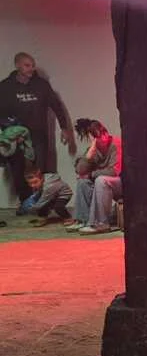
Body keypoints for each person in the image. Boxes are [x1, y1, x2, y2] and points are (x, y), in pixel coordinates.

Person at [0, 52, 76, 204]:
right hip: (16, 137)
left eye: (33, 65)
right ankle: (25, 202)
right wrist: (8, 133)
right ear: (17, 65)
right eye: (27, 65)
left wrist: (64, 128)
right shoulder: (5, 86)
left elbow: (57, 106)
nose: (31, 69)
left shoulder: (41, 85)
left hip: (38, 136)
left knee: (40, 170)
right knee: (18, 170)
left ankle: (41, 203)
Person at [67, 118, 122, 235]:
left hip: (122, 183)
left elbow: (114, 171)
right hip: (105, 183)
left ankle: (100, 224)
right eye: (97, 136)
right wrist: (88, 156)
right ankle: (84, 220)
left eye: (103, 133)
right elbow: (80, 171)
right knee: (82, 182)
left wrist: (91, 174)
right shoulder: (94, 150)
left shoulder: (116, 143)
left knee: (101, 180)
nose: (103, 137)